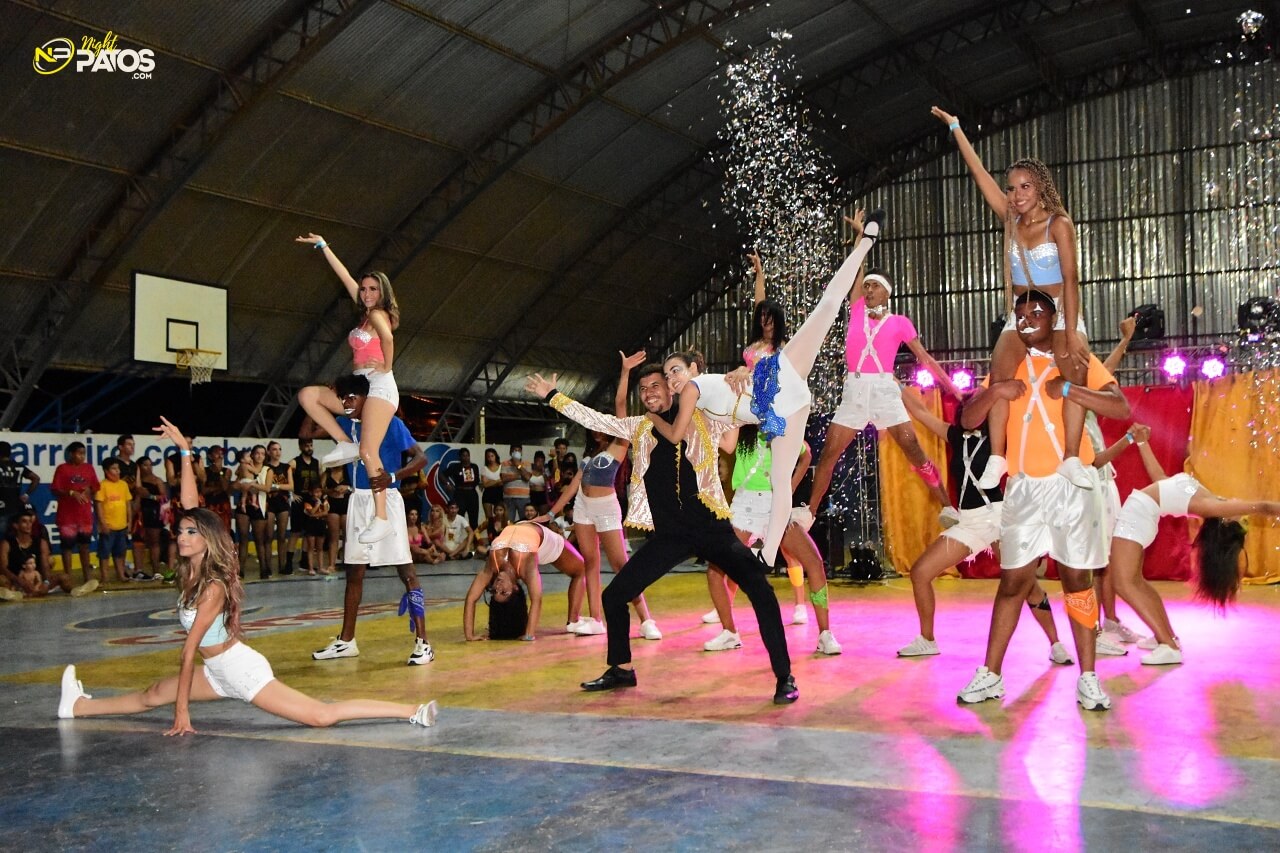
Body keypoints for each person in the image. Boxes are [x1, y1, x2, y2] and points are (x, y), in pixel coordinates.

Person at [57, 416, 437, 732]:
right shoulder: (195, 563)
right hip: (217, 670)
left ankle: (410, 710)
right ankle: (76, 707)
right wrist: (185, 453)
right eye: (182, 530)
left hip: (239, 671)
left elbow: (189, 651)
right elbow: (191, 505)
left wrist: (183, 713)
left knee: (321, 716)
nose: (183, 535)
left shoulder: (212, 587)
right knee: (152, 693)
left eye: (191, 533)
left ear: (205, 540)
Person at [526, 364, 798, 704]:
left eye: (657, 385)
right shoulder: (639, 428)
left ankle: (784, 676)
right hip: (671, 537)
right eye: (644, 389)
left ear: (672, 392)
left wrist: (741, 378)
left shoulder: (703, 419)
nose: (650, 392)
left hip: (712, 528)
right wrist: (552, 396)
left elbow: (741, 411)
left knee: (761, 589)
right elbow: (595, 419)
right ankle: (621, 668)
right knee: (614, 596)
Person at [647, 211, 890, 565]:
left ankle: (866, 240)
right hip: (781, 410)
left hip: (778, 378)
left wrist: (658, 418)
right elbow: (728, 438)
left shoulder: (706, 384)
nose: (672, 380)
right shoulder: (701, 402)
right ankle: (770, 552)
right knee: (779, 481)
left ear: (693, 368)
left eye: (674, 371)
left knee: (827, 306)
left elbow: (675, 432)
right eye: (667, 378)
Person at [955, 291, 1131, 710]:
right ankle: (991, 675)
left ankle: (1088, 677)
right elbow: (966, 420)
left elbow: (1119, 407)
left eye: (1037, 312)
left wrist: (1068, 388)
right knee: (1013, 581)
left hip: (1071, 486)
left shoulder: (1075, 359)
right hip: (1024, 488)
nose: (1028, 319)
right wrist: (997, 392)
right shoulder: (1008, 363)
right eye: (1020, 314)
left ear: (1056, 317)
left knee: (1076, 580)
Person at [932, 105, 1092, 491]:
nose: (1017, 195)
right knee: (999, 374)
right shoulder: (1009, 220)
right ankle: (999, 456)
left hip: (1057, 313)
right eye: (1012, 188)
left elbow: (1071, 280)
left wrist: (1069, 331)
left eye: (1025, 187)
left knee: (1077, 373)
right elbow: (979, 174)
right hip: (1022, 316)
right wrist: (956, 128)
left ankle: (1070, 457)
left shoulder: (1059, 224)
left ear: (1040, 189)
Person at [895, 388, 1084, 664]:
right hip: (969, 521)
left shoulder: (999, 437)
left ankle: (1056, 643)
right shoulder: (955, 435)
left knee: (1027, 586)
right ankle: (927, 639)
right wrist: (896, 385)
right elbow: (921, 412)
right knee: (920, 572)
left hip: (998, 517)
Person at [806, 214, 960, 527]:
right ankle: (808, 512)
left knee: (912, 446)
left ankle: (948, 507)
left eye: (875, 286)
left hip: (884, 390)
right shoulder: (857, 310)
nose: (869, 289)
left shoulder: (899, 323)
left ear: (887, 292)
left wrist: (952, 387)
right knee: (830, 453)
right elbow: (854, 275)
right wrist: (862, 239)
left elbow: (924, 358)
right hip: (855, 391)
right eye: (866, 286)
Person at [1108, 425, 1280, 665]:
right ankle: (1167, 637)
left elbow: (1263, 507)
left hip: (1134, 519)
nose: (1241, 510)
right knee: (1135, 582)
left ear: (1226, 520)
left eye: (1241, 517)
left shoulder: (1213, 509)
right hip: (1141, 517)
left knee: (1123, 584)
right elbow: (1161, 481)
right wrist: (1142, 442)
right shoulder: (1208, 497)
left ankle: (1168, 646)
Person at [307, 374, 433, 666]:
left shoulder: (390, 423)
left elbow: (421, 457)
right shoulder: (345, 424)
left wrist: (394, 476)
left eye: (352, 397)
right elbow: (307, 431)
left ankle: (423, 643)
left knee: (407, 572)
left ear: (368, 399)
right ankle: (347, 640)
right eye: (343, 398)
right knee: (354, 573)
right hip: (358, 500)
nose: (347, 403)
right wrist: (327, 393)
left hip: (386, 499)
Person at [295, 233, 402, 545]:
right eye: (365, 289)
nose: (367, 293)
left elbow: (389, 339)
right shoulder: (365, 311)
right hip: (359, 386)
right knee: (308, 396)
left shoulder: (379, 314)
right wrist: (324, 246)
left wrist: (387, 366)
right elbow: (343, 275)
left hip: (380, 387)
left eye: (373, 289)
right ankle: (344, 442)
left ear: (383, 292)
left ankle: (381, 517)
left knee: (370, 451)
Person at [702, 423, 844, 656]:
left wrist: (789, 488)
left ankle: (825, 633)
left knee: (814, 562)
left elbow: (806, 454)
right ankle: (729, 632)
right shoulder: (740, 428)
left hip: (775, 504)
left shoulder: (779, 427)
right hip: (745, 505)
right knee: (715, 570)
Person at [541, 351, 655, 639]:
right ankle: (595, 619)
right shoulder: (589, 456)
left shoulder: (620, 443)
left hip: (606, 507)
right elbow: (572, 486)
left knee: (620, 564)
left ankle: (646, 619)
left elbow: (619, 404)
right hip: (582, 507)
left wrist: (626, 371)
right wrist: (552, 513)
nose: (594, 429)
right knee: (590, 562)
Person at [462, 521, 594, 641]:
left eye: (495, 591)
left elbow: (471, 598)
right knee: (581, 568)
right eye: (503, 592)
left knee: (581, 570)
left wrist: (469, 635)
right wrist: (529, 634)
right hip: (542, 542)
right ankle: (573, 621)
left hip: (526, 528)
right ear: (515, 588)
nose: (498, 586)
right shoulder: (524, 565)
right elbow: (537, 599)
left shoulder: (494, 561)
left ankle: (573, 621)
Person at [0, 509, 98, 600]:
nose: (29, 524)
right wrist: (20, 581)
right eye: (24, 521)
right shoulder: (7, 543)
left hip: (37, 581)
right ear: (16, 525)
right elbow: (3, 568)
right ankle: (14, 594)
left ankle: (76, 590)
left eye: (30, 521)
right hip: (17, 582)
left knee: (64, 577)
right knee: (2, 580)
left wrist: (46, 583)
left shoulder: (41, 542)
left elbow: (45, 566)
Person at [51, 442, 98, 584]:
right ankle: (68, 577)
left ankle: (87, 576)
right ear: (71, 454)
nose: (82, 456)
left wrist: (88, 490)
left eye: (84, 453)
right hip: (67, 516)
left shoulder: (89, 468)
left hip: (84, 515)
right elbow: (55, 489)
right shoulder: (62, 469)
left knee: (85, 546)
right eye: (79, 453)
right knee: (67, 547)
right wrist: (71, 492)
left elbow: (95, 486)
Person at [233, 445, 271, 578]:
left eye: (263, 454)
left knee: (259, 539)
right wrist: (241, 483)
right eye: (257, 453)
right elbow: (235, 485)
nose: (260, 456)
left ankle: (264, 569)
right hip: (244, 506)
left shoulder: (267, 469)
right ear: (252, 455)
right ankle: (240, 570)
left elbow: (267, 488)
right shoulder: (244, 467)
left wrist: (252, 484)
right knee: (243, 538)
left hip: (258, 505)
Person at [286, 438, 322, 574]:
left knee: (309, 532)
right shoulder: (295, 462)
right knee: (295, 532)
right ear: (301, 447)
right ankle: (288, 562)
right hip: (299, 500)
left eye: (311, 445)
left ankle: (305, 561)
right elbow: (284, 475)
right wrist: (292, 494)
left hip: (312, 500)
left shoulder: (316, 463)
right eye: (306, 446)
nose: (309, 448)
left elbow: (319, 481)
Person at [95, 459, 134, 583]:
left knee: (120, 552)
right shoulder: (102, 485)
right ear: (106, 471)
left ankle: (121, 575)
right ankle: (104, 577)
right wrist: (102, 523)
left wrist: (130, 521)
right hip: (108, 526)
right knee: (104, 553)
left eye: (118, 469)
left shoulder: (123, 485)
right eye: (114, 469)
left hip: (121, 525)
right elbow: (99, 506)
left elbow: (128, 505)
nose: (117, 471)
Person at [262, 442, 293, 575]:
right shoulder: (265, 467)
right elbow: (264, 485)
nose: (277, 452)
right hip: (268, 503)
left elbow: (291, 486)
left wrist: (275, 486)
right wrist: (277, 486)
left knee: (281, 536)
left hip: (282, 503)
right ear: (269, 452)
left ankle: (283, 565)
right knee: (268, 536)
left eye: (279, 449)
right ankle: (268, 567)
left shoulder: (286, 467)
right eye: (274, 449)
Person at [0, 441, 39, 541]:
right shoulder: (18, 466)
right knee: (14, 540)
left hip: (2, 510)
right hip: (16, 509)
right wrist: (26, 494)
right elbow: (36, 478)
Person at [322, 464, 350, 575]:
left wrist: (346, 488)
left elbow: (357, 486)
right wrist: (331, 491)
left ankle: (348, 562)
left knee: (348, 537)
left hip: (346, 504)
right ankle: (331, 564)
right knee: (334, 537)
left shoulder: (348, 472)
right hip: (333, 505)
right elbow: (321, 489)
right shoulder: (327, 473)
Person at [443, 448, 481, 529]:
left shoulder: (474, 467)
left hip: (472, 493)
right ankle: (457, 538)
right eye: (463, 456)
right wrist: (447, 483)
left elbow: (477, 480)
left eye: (467, 455)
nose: (466, 458)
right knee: (458, 518)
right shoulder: (455, 467)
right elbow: (442, 475)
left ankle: (474, 540)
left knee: (474, 520)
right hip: (460, 494)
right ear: (460, 457)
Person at [202, 446, 233, 533]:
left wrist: (220, 471)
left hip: (223, 505)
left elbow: (224, 487)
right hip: (209, 505)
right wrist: (217, 488)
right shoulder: (205, 471)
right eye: (217, 453)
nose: (220, 455)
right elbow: (203, 490)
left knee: (224, 531)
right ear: (210, 456)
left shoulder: (227, 471)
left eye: (221, 453)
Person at [500, 444, 533, 522]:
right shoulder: (504, 463)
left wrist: (518, 465)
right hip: (509, 497)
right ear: (510, 452)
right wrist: (519, 476)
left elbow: (527, 477)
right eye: (515, 450)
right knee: (508, 521)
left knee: (524, 520)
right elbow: (504, 478)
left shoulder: (527, 464)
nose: (516, 452)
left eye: (518, 450)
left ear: (521, 452)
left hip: (523, 497)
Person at [479, 448, 504, 523]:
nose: (490, 458)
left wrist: (491, 482)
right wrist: (497, 481)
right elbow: (485, 485)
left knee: (500, 516)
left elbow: (502, 482)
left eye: (492, 456)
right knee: (489, 519)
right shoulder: (484, 469)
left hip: (499, 492)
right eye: (488, 456)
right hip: (488, 493)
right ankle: (490, 533)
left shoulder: (501, 467)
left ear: (496, 456)